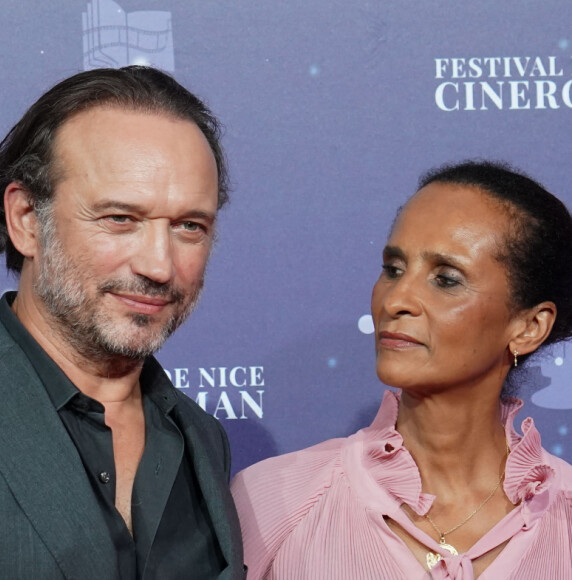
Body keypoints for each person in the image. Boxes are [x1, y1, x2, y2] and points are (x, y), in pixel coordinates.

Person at [231, 161, 572, 579]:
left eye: (446, 279)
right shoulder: (275, 500)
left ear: (528, 327)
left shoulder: (565, 515)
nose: (396, 300)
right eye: (393, 269)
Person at [0, 66, 245, 579]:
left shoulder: (201, 439)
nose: (158, 265)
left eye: (188, 227)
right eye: (120, 219)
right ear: (25, 219)